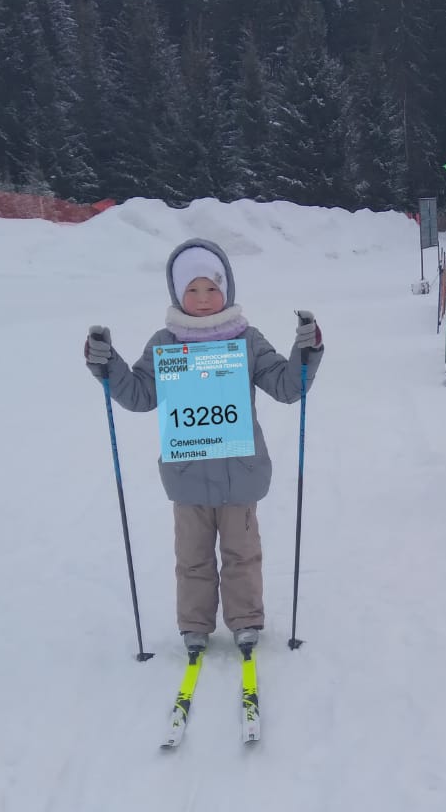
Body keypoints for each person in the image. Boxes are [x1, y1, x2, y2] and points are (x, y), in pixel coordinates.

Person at [84, 237, 323, 653]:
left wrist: (307, 350)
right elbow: (139, 395)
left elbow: (287, 387)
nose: (202, 298)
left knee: (241, 555)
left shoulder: (247, 340)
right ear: (177, 293)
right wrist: (107, 364)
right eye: (191, 289)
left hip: (240, 475)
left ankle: (245, 619)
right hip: (187, 476)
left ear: (226, 288)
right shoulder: (165, 343)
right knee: (192, 557)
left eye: (211, 288)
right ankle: (194, 623)